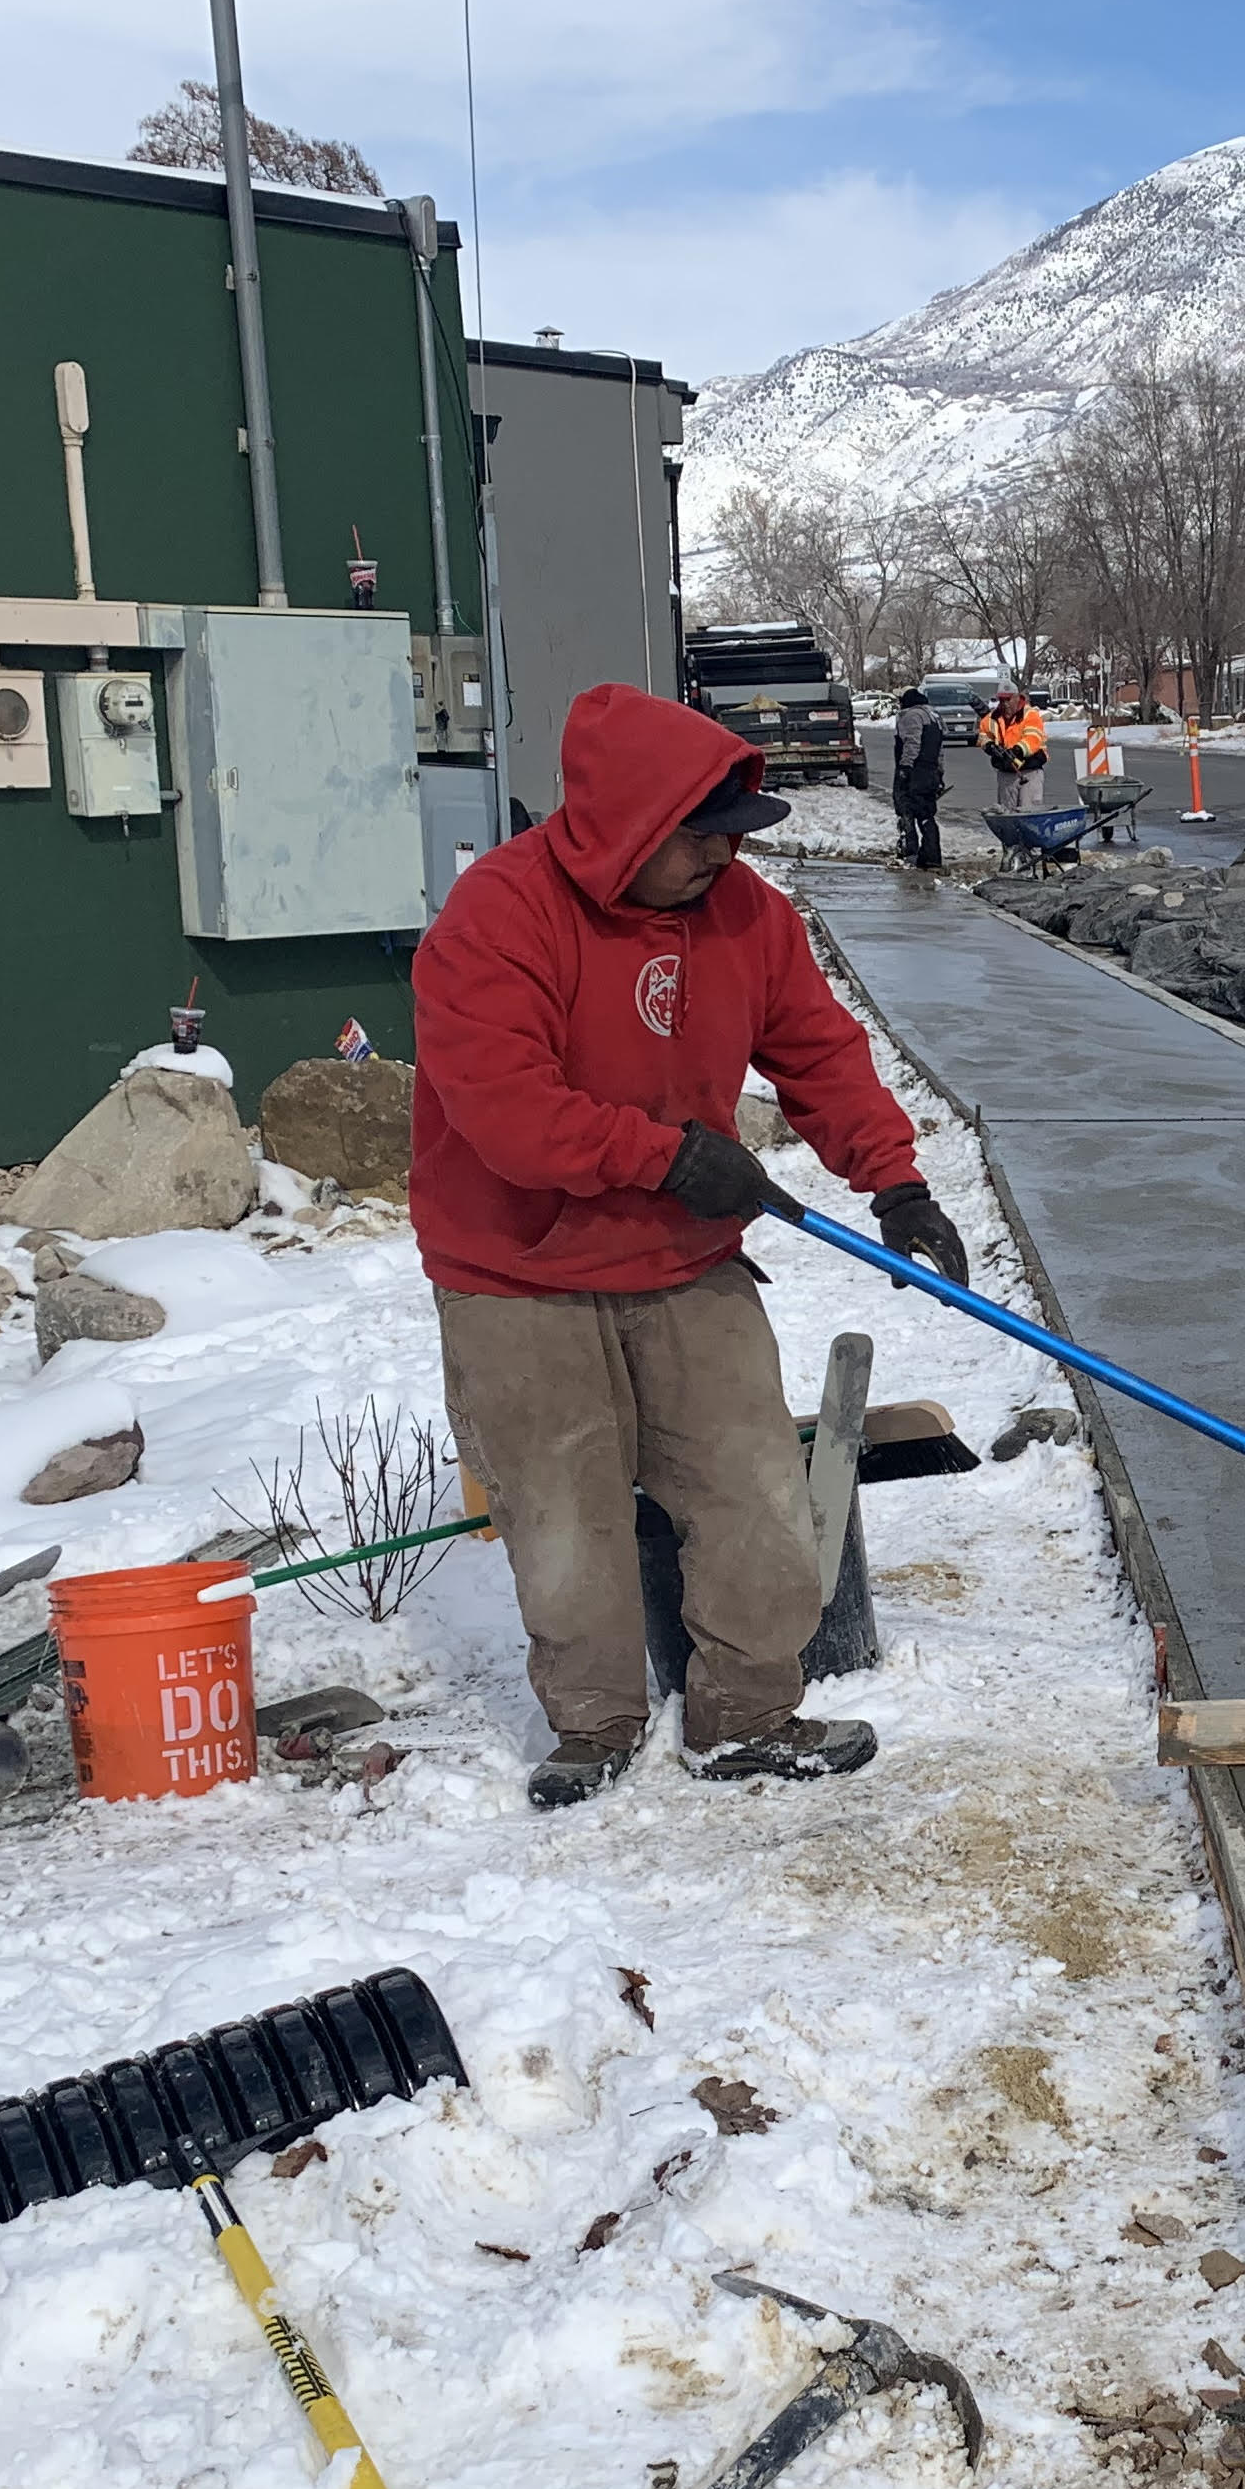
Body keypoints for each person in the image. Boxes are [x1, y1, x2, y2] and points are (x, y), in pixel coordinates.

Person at [410, 684, 979, 1811]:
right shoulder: (499, 917)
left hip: (683, 1259)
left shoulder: (744, 913)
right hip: (518, 1271)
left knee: (755, 1491)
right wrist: (669, 1157)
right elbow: (507, 1112)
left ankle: (747, 1716)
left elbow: (818, 1051)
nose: (725, 853)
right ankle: (596, 1726)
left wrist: (896, 1181)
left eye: (736, 831)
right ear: (627, 826)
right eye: (702, 833)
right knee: (563, 1517)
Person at [890, 687, 947, 871]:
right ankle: (931, 856)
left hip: (915, 773)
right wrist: (940, 773)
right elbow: (940, 749)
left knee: (907, 811)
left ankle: (911, 853)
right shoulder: (934, 717)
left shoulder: (911, 716)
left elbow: (912, 744)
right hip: (931, 773)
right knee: (927, 814)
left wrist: (905, 769)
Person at [977, 685, 1048, 810]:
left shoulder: (1030, 715)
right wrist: (990, 746)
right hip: (1006, 773)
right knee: (1007, 813)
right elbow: (983, 735)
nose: (1005, 704)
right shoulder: (993, 718)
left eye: (1008, 699)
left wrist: (1017, 750)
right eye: (1002, 700)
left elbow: (1033, 738)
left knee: (1028, 812)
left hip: (1030, 771)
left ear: (1017, 698)